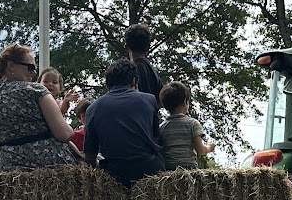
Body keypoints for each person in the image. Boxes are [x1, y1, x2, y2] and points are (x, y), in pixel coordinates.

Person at [0, 45, 77, 172]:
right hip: (49, 169)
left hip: (4, 169)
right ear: (11, 66)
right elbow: (65, 134)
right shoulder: (35, 90)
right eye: (30, 67)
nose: (33, 72)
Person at [83, 58, 164, 186]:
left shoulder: (92, 108)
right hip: (149, 168)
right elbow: (155, 138)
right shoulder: (149, 99)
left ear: (107, 85)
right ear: (134, 82)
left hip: (115, 173)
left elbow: (90, 157)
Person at [158, 81, 216, 170]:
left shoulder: (161, 127)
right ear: (185, 101)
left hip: (169, 171)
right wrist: (209, 147)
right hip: (189, 170)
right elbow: (200, 151)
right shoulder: (193, 124)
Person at [124, 23, 162, 103]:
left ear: (127, 48)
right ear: (148, 48)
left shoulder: (127, 71)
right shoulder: (154, 72)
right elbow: (160, 100)